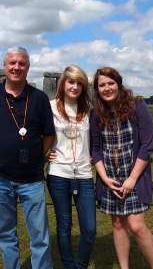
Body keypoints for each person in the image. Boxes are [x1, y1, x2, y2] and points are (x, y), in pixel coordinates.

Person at [0, 46, 55, 269]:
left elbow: (48, 134)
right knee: (5, 233)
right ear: (4, 66)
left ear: (28, 68)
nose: (16, 67)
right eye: (12, 63)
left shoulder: (38, 98)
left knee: (39, 235)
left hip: (32, 178)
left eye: (21, 63)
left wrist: (36, 156)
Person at [90, 67, 153, 269]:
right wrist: (104, 178)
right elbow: (95, 149)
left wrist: (132, 179)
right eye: (102, 85)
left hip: (135, 177)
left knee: (137, 226)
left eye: (110, 83)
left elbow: (147, 145)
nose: (107, 88)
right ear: (97, 89)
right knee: (118, 224)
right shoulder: (96, 113)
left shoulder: (137, 107)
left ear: (119, 84)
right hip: (110, 178)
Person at [46, 66, 96, 269]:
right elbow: (37, 134)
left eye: (79, 83)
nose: (75, 87)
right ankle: (68, 265)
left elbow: (97, 139)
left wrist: (96, 155)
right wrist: (43, 153)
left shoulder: (89, 109)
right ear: (63, 83)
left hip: (84, 173)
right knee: (64, 226)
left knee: (90, 229)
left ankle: (80, 265)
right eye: (71, 82)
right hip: (58, 173)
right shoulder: (49, 107)